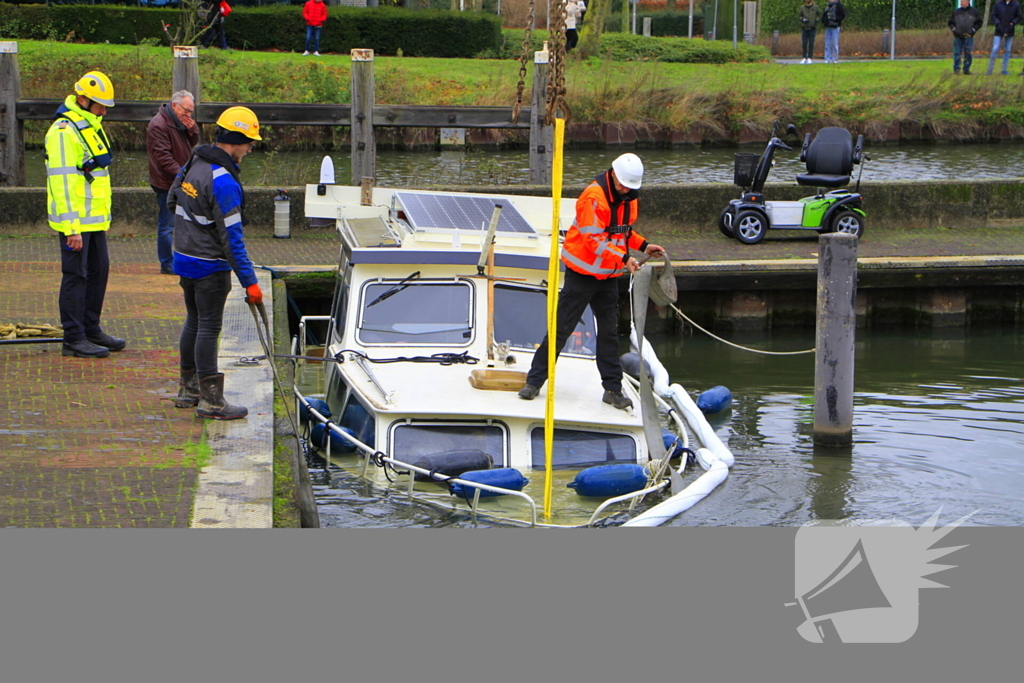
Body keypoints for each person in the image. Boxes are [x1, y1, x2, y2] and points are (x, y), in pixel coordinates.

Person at [518, 153, 665, 411]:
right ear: (613, 175)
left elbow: (623, 231)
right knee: (561, 329)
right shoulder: (593, 198)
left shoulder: (629, 198)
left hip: (607, 276)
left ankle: (613, 390)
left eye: (630, 187)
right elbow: (593, 240)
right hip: (581, 275)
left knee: (608, 334)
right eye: (622, 185)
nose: (625, 190)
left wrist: (643, 245)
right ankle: (534, 382)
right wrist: (624, 258)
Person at [167, 106, 262, 420]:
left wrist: (193, 229)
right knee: (209, 326)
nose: (250, 149)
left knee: (193, 321)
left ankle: (188, 389)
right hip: (209, 265)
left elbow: (171, 200)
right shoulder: (224, 182)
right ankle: (212, 401)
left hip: (183, 256)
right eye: (249, 143)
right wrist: (250, 282)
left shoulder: (195, 161)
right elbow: (233, 241)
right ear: (235, 140)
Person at [45, 71, 126, 359]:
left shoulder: (89, 125)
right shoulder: (65, 132)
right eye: (100, 105)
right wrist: (71, 227)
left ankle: (91, 327)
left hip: (93, 220)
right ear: (82, 99)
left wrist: (101, 220)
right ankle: (74, 337)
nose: (104, 111)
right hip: (75, 222)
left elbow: (94, 175)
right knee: (75, 275)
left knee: (98, 270)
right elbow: (63, 181)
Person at [146, 90, 199, 275]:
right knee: (167, 225)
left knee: (183, 222)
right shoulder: (158, 125)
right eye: (186, 110)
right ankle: (167, 263)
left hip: (181, 179)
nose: (189, 115)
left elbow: (192, 143)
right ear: (175, 105)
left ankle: (181, 259)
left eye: (191, 112)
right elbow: (163, 157)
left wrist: (192, 128)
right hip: (165, 182)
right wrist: (182, 175)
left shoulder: (179, 122)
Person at [987, 0, 1022, 75]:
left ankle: (1004, 69)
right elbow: (993, 15)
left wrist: (1012, 23)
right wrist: (997, 23)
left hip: (1010, 30)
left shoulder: (1016, 4)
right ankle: (990, 69)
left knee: (1007, 49)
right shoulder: (998, 3)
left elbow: (1018, 16)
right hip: (999, 29)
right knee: (995, 48)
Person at [950, 0, 982, 75]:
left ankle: (966, 69)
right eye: (961, 1)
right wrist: (954, 30)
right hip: (958, 35)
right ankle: (956, 69)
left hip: (969, 36)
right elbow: (951, 22)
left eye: (963, 1)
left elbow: (979, 22)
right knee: (957, 52)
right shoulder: (956, 12)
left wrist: (973, 31)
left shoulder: (974, 11)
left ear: (968, 2)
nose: (961, 3)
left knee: (968, 52)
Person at [822, 0, 845, 64]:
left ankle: (835, 58)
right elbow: (824, 15)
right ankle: (827, 58)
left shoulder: (838, 6)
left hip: (835, 27)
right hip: (828, 26)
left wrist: (835, 19)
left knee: (835, 43)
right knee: (827, 43)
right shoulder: (828, 6)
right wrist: (824, 21)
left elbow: (842, 15)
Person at [799, 0, 822, 64]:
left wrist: (816, 21)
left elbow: (820, 15)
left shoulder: (815, 7)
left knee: (811, 43)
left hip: (812, 28)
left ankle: (810, 57)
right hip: (804, 28)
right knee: (804, 43)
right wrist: (802, 19)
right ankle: (804, 57)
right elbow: (799, 16)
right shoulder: (802, 7)